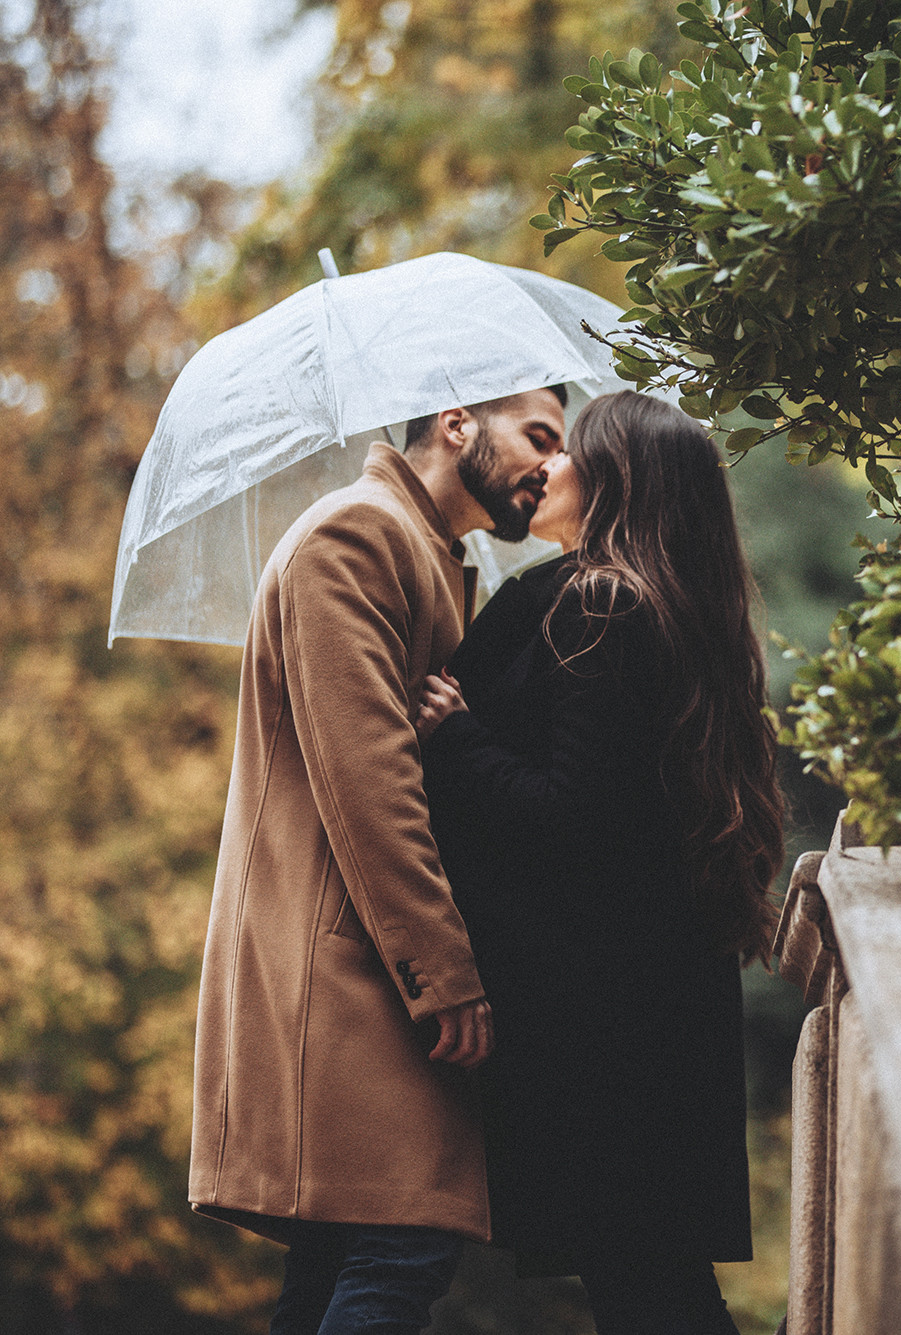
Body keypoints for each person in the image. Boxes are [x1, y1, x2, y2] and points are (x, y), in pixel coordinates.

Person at [189, 386, 568, 1335]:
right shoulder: (355, 536)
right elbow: (371, 779)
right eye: (537, 435)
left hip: (365, 958)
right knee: (402, 1241)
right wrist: (445, 971)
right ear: (456, 424)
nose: (551, 467)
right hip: (343, 966)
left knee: (343, 1251)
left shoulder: (431, 551)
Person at [414, 389, 784, 1335]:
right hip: (647, 1005)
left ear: (616, 480)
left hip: (613, 1022)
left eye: (567, 451)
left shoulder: (603, 605)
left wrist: (455, 740)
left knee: (646, 1286)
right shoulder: (655, 605)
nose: (546, 467)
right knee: (652, 1281)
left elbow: (568, 817)